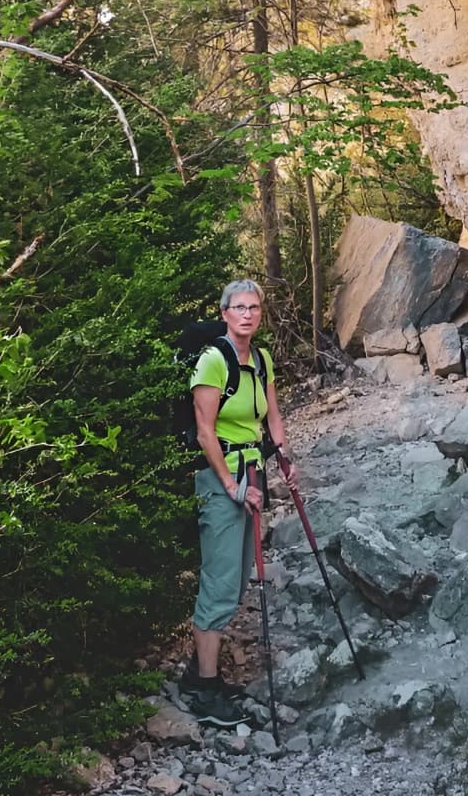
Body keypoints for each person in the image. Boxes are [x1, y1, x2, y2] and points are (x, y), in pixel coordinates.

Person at [182, 279, 299, 727]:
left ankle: (204, 676)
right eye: (239, 308)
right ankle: (205, 689)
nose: (247, 314)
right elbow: (204, 431)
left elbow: (271, 414)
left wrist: (285, 458)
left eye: (254, 308)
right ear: (225, 313)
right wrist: (231, 485)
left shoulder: (262, 359)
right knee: (220, 579)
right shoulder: (213, 361)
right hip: (221, 480)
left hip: (253, 474)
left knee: (238, 576)